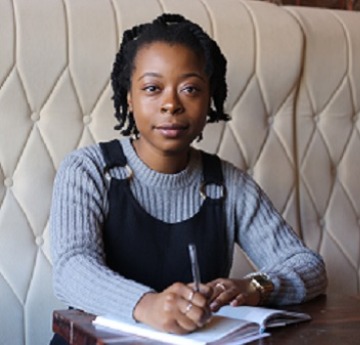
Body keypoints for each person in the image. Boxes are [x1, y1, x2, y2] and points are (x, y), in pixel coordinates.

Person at [49, 13, 327, 344]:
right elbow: (71, 269)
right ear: (129, 98)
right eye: (152, 88)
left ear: (209, 99)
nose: (171, 104)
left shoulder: (229, 184)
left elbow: (308, 266)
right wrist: (147, 306)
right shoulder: (89, 170)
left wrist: (255, 287)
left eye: (190, 89)